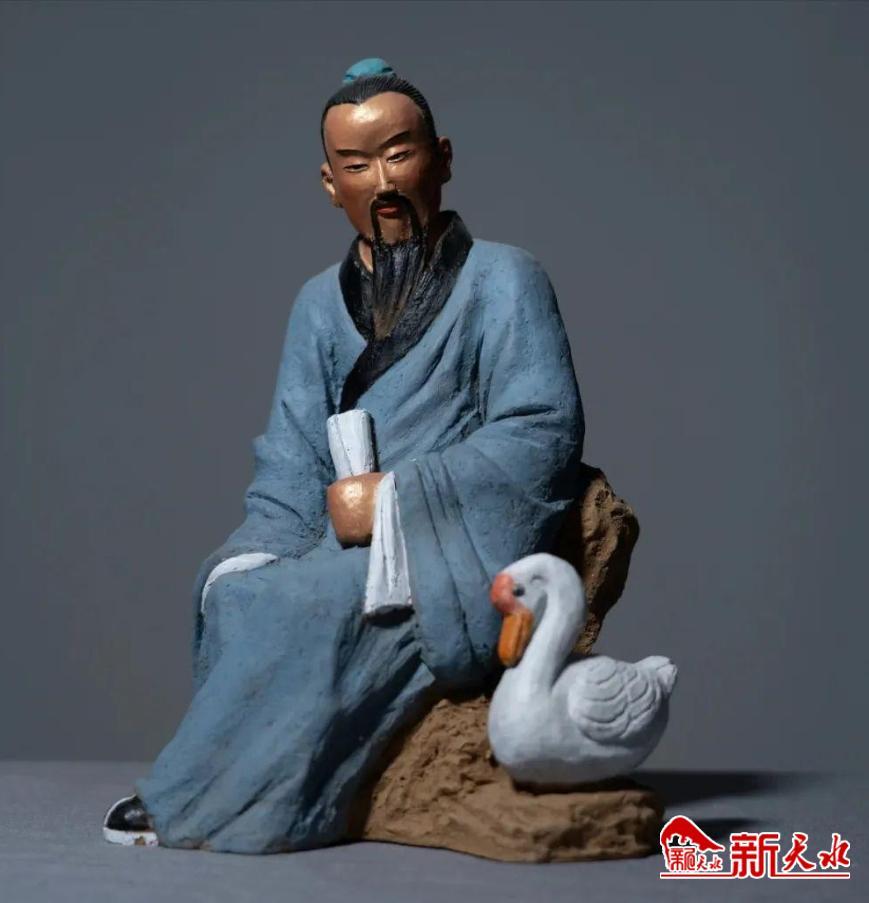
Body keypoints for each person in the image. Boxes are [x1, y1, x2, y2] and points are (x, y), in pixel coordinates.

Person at [103, 58, 585, 853]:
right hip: (339, 541)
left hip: (444, 549)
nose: (383, 183)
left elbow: (541, 429)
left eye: (399, 154)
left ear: (442, 158)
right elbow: (292, 452)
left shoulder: (504, 279)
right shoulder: (317, 305)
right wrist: (259, 546)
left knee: (305, 606)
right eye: (358, 165)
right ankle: (217, 786)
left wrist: (394, 498)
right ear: (331, 185)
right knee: (239, 592)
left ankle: (202, 802)